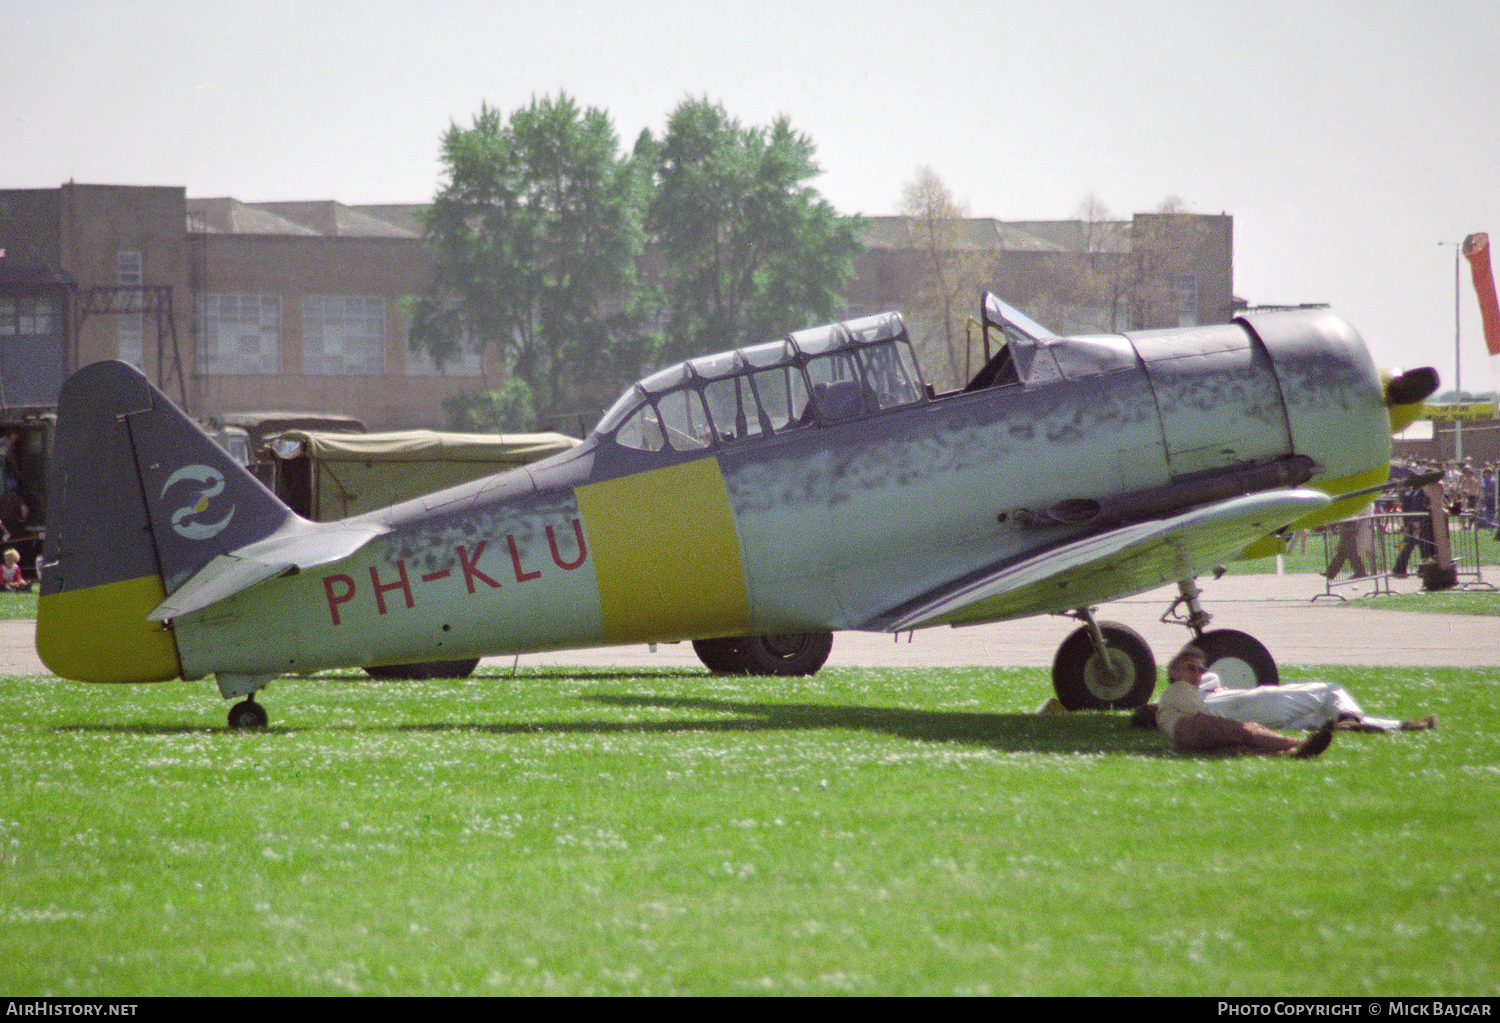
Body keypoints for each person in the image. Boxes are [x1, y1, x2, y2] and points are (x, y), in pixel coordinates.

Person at [1150, 645, 1335, 757]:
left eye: (1201, 670)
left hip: (1185, 739)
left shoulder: (1172, 696)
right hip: (1192, 727)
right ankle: (1299, 744)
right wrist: (1231, 723)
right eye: (1191, 668)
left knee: (1239, 748)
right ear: (1173, 672)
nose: (1197, 674)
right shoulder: (1179, 687)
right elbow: (1201, 713)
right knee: (1247, 731)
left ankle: (1289, 754)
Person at [1134, 671, 1435, 734]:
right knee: (1330, 689)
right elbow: (1211, 676)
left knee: (1317, 721)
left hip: (1254, 720)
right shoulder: (1180, 696)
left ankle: (1401, 726)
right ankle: (1351, 718)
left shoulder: (1178, 716)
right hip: (1260, 702)